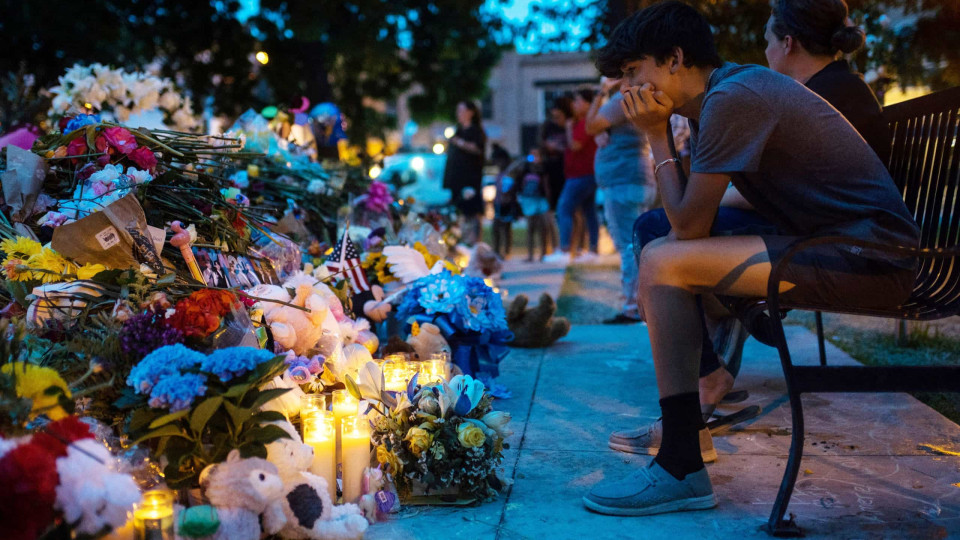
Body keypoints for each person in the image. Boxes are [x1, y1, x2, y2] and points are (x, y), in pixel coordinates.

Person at [583, 1, 918, 516]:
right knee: (660, 251)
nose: (627, 87)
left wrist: (654, 134)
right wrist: (660, 132)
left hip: (871, 256)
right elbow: (682, 223)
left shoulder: (733, 97)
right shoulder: (716, 101)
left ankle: (680, 463)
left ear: (674, 58)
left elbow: (688, 228)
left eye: (633, 71)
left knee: (661, 261)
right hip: (832, 242)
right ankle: (688, 434)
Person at [586, 76, 651, 323]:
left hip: (624, 180)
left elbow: (591, 124)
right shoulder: (640, 96)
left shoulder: (624, 97)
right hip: (634, 178)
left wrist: (601, 91)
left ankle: (633, 307)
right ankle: (640, 304)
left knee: (629, 245)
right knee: (636, 244)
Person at [544, 88, 600, 264]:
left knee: (564, 208)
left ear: (587, 104)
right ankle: (592, 249)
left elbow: (575, 145)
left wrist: (568, 128)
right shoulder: (583, 121)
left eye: (577, 101)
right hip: (583, 174)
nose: (574, 105)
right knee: (589, 211)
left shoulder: (584, 122)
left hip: (581, 174)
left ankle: (565, 249)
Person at [442, 101, 487, 246]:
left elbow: (477, 149)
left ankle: (474, 242)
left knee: (472, 210)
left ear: (470, 112)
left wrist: (459, 142)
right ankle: (460, 241)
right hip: (456, 179)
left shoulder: (475, 132)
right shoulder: (458, 130)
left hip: (470, 178)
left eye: (461, 110)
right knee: (459, 210)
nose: (458, 114)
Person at [539, 98, 572, 254]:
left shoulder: (569, 125)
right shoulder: (547, 126)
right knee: (551, 210)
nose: (555, 118)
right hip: (550, 169)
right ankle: (552, 246)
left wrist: (560, 148)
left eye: (558, 115)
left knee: (569, 208)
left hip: (566, 169)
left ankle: (572, 245)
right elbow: (541, 144)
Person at [516, 150, 552, 261]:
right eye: (532, 154)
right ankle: (530, 254)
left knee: (542, 227)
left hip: (540, 200)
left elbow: (546, 186)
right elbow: (519, 182)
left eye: (537, 155)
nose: (534, 157)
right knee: (530, 227)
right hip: (528, 200)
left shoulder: (543, 170)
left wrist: (548, 200)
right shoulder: (525, 169)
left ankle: (543, 253)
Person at [491, 145, 519, 257]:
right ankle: (497, 251)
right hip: (498, 203)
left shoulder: (509, 173)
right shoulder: (500, 174)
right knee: (496, 228)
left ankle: (506, 251)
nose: (496, 164)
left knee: (506, 228)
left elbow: (509, 190)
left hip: (507, 204)